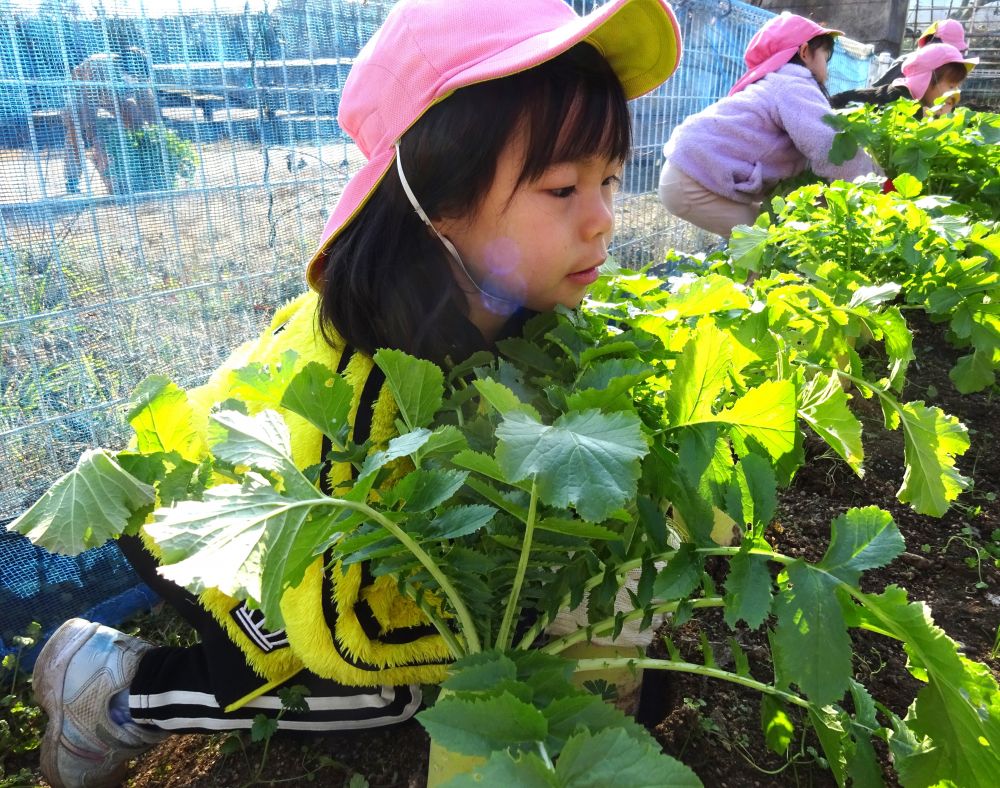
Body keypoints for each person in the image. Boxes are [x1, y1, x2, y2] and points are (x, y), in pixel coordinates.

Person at [30, 0, 683, 786]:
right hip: (202, 520)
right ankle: (113, 692)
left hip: (311, 530)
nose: (604, 220)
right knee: (381, 693)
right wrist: (517, 650)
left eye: (611, 179)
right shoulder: (359, 379)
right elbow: (342, 633)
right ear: (438, 202)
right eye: (562, 189)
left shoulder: (520, 307)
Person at [658, 12, 877, 239]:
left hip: (689, 172)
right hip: (692, 181)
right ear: (804, 52)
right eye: (825, 57)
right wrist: (869, 184)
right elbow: (827, 143)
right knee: (766, 244)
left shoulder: (775, 84)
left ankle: (745, 273)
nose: (828, 71)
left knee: (763, 237)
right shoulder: (793, 84)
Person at [62, 47, 158, 195]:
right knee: (77, 130)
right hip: (81, 94)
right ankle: (72, 180)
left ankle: (138, 168)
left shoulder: (140, 73)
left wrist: (156, 134)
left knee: (135, 118)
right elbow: (88, 108)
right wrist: (94, 139)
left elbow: (149, 108)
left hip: (111, 94)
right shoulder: (101, 68)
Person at [830, 43, 978, 116]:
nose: (956, 92)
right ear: (926, 79)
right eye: (952, 86)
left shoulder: (942, 113)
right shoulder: (895, 99)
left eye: (958, 86)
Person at [871, 18, 968, 89]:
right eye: (947, 49)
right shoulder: (906, 65)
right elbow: (878, 96)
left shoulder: (946, 74)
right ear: (932, 43)